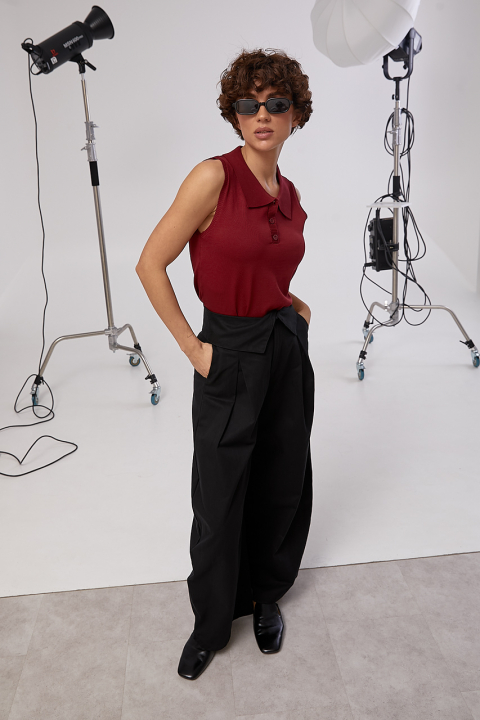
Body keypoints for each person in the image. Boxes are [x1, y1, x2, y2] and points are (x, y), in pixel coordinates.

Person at [136, 48, 314, 680]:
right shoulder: (213, 177)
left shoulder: (289, 193)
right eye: (249, 104)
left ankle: (266, 596)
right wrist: (194, 347)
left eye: (276, 104)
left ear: (295, 116)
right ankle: (211, 623)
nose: (262, 114)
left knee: (281, 479)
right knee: (220, 492)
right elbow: (150, 264)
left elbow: (267, 265)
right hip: (228, 352)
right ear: (234, 115)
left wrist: (294, 308)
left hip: (283, 348)